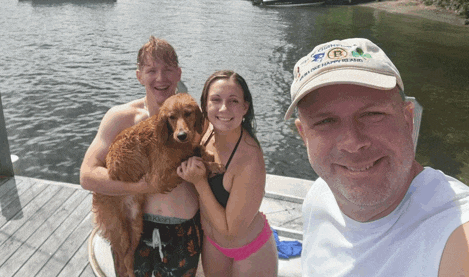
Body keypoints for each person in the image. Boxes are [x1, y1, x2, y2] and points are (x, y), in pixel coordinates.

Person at [284, 38, 469, 276]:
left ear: (408, 120)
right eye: (326, 121)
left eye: (372, 114)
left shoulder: (454, 230)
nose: (352, 142)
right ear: (303, 134)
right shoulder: (319, 196)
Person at [80, 36, 202, 277]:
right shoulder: (120, 117)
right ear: (139, 76)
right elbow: (87, 175)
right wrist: (140, 186)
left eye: (167, 70)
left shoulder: (194, 116)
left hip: (182, 231)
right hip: (130, 229)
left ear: (178, 74)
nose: (160, 78)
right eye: (151, 70)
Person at [177, 70, 278, 277]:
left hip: (248, 251)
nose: (224, 109)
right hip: (212, 243)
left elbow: (230, 230)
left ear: (245, 107)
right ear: (205, 104)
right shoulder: (206, 130)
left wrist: (200, 182)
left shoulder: (249, 158)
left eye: (233, 101)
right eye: (216, 99)